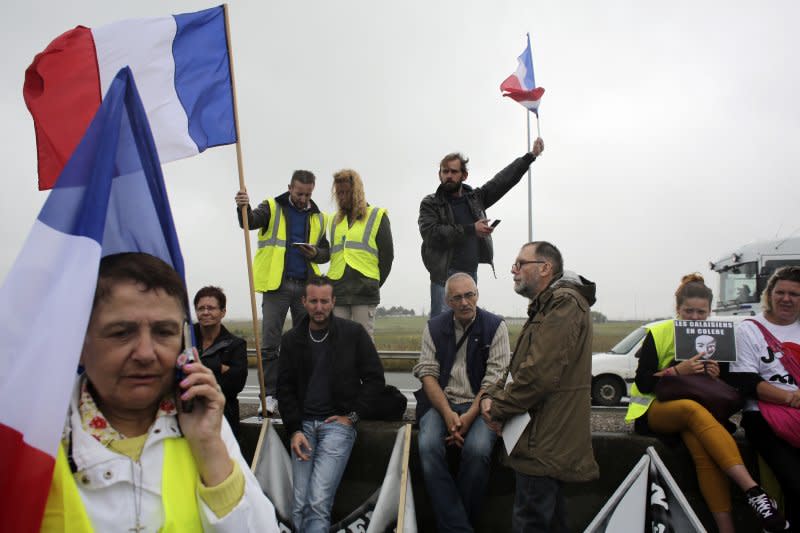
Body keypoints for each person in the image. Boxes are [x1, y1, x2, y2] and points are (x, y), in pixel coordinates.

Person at [41, 253, 279, 532]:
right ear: (81, 342)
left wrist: (210, 449)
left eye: (164, 332)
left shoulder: (205, 426)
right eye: (121, 332)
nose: (145, 353)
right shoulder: (33, 434)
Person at [625, 273, 788, 533]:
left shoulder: (719, 338)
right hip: (655, 409)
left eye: (701, 312)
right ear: (677, 310)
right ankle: (753, 491)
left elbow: (730, 387)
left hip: (701, 415)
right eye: (688, 311)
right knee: (692, 410)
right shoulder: (659, 332)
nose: (695, 317)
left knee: (705, 456)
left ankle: (727, 529)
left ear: (710, 311)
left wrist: (716, 376)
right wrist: (679, 372)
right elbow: (643, 382)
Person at [480, 241, 598, 532]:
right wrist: (490, 394)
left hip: (544, 438)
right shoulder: (548, 305)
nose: (513, 269)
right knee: (551, 521)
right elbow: (518, 367)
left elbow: (538, 373)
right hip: (541, 435)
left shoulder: (563, 303)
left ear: (545, 268)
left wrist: (497, 408)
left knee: (531, 522)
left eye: (521, 263)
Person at [276, 276, 385, 532]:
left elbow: (374, 379)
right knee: (300, 503)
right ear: (303, 302)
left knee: (317, 501)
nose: (319, 307)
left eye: (324, 301)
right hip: (302, 427)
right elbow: (285, 389)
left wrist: (353, 416)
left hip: (337, 425)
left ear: (333, 302)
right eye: (313, 301)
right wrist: (294, 429)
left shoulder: (353, 333)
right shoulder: (292, 339)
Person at [413, 272, 510, 532]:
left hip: (480, 405)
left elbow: (495, 379)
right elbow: (427, 374)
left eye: (470, 295)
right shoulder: (434, 327)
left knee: (477, 451)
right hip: (441, 403)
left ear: (477, 295)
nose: (465, 302)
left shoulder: (496, 326)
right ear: (448, 301)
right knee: (428, 446)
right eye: (457, 297)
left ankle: (454, 526)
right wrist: (447, 413)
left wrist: (468, 417)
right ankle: (461, 527)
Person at [235, 170, 329, 414]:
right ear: (290, 188)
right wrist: (242, 207)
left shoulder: (318, 217)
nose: (303, 198)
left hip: (305, 288)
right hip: (276, 286)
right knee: (270, 345)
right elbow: (249, 223)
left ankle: (300, 393)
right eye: (299, 193)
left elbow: (326, 251)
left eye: (308, 194)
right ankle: (269, 396)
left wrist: (315, 254)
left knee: (304, 343)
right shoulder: (271, 207)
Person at [418, 138, 544, 317]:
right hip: (444, 277)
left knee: (468, 324)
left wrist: (530, 157)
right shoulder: (430, 203)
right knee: (441, 328)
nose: (448, 176)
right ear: (439, 174)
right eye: (444, 172)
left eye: (454, 172)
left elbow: (502, 181)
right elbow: (432, 235)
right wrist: (471, 229)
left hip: (470, 274)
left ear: (464, 175)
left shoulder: (475, 198)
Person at [729, 266, 800, 531]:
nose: (786, 299)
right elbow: (746, 382)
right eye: (780, 292)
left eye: (794, 294)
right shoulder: (749, 330)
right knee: (794, 481)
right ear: (769, 295)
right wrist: (792, 398)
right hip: (763, 417)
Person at [327, 169, 393, 337]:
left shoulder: (377, 216)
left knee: (363, 342)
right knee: (339, 342)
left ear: (357, 192)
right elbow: (333, 254)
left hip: (364, 292)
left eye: (346, 192)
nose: (341, 197)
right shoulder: (334, 221)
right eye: (339, 193)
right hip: (338, 292)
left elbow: (387, 256)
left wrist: (373, 283)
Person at [193, 286, 247, 438]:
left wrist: (199, 366)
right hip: (187, 417)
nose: (205, 312)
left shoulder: (236, 345)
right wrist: (219, 367)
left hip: (223, 421)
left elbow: (235, 384)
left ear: (223, 312)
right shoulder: (183, 339)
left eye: (211, 308)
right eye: (201, 308)